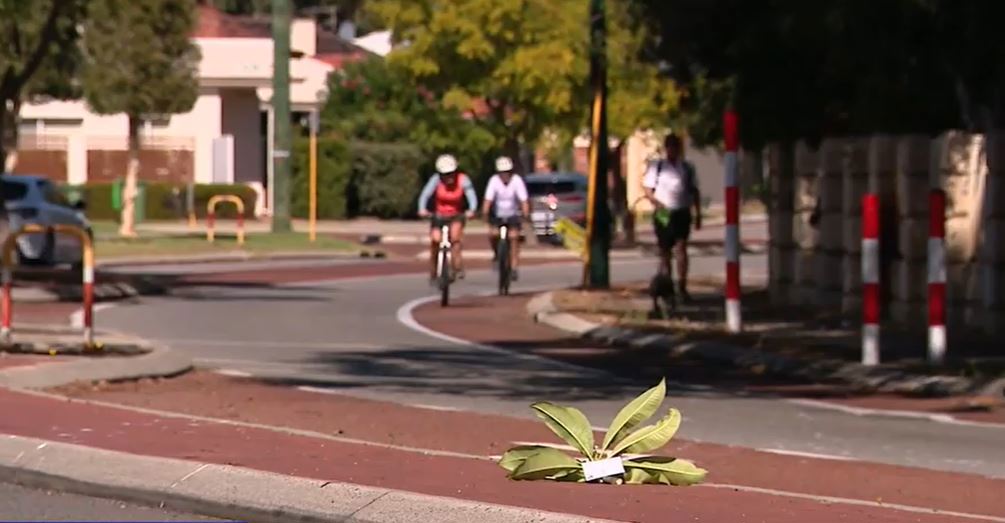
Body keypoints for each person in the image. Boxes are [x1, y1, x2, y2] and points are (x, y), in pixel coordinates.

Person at [642, 132, 702, 302]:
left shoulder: (687, 167)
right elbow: (647, 189)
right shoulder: (658, 167)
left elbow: (694, 191)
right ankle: (667, 285)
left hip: (681, 210)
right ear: (666, 149)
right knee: (665, 250)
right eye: (670, 147)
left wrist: (698, 214)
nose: (672, 151)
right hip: (663, 212)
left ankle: (682, 285)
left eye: (675, 147)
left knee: (681, 248)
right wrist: (656, 202)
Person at [418, 154, 478, 283]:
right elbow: (425, 194)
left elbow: (471, 195)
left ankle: (457, 266)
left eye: (451, 174)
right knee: (435, 240)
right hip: (439, 215)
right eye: (444, 175)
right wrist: (422, 209)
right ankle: (433, 270)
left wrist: (472, 210)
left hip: (456, 215)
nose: (448, 178)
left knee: (455, 239)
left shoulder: (463, 180)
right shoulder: (435, 180)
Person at [482, 156, 530, 281]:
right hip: (497, 215)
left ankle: (514, 267)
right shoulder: (494, 181)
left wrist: (525, 213)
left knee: (514, 238)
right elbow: (488, 200)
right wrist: (485, 213)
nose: (505, 175)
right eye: (502, 173)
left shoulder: (517, 180)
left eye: (507, 172)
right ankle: (497, 255)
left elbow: (523, 200)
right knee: (493, 235)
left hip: (512, 215)